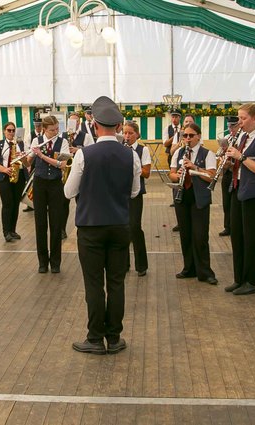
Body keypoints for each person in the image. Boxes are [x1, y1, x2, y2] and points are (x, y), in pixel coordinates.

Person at [64, 96, 141, 355]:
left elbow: (68, 192)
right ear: (119, 127)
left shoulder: (84, 154)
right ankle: (114, 337)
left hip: (91, 227)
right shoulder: (131, 155)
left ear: (95, 125)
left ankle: (95, 338)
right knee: (117, 282)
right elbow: (134, 192)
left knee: (94, 283)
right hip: (119, 225)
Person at [223, 103, 255, 295]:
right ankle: (239, 278)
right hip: (239, 189)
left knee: (251, 238)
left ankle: (252, 281)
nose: (240, 122)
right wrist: (229, 162)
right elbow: (240, 164)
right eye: (239, 118)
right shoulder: (243, 136)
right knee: (237, 236)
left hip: (254, 193)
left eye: (243, 118)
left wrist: (241, 157)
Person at [169, 123, 218, 285]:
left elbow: (211, 177)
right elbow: (171, 174)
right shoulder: (178, 152)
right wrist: (178, 175)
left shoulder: (208, 153)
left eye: (191, 135)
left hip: (199, 197)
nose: (188, 139)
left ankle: (205, 272)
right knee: (185, 234)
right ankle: (189, 268)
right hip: (183, 196)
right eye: (185, 136)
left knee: (200, 236)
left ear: (198, 136)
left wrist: (194, 168)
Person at [28, 115, 70, 273]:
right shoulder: (36, 141)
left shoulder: (63, 142)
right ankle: (42, 262)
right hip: (39, 184)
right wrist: (24, 158)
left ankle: (56, 262)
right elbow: (28, 163)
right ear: (44, 129)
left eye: (57, 129)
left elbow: (62, 164)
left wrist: (41, 155)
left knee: (56, 223)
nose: (55, 132)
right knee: (40, 224)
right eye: (52, 130)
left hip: (55, 184)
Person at [0, 122, 28, 242]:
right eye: (9, 130)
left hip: (19, 176)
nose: (11, 132)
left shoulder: (21, 144)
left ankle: (13, 230)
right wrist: (4, 169)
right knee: (7, 204)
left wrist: (23, 157)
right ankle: (6, 232)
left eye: (13, 130)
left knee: (15, 204)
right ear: (4, 131)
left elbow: (27, 163)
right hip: (5, 177)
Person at [122, 121, 151, 276]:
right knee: (122, 228)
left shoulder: (142, 149)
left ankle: (141, 265)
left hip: (136, 192)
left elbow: (147, 173)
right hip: (120, 193)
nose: (127, 136)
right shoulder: (120, 148)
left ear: (137, 134)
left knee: (134, 227)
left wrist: (134, 166)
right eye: (125, 133)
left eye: (130, 133)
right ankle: (124, 264)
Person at [218, 117, 240, 237]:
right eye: (229, 126)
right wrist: (222, 153)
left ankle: (235, 227)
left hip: (237, 173)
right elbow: (220, 153)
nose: (230, 129)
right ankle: (227, 226)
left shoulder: (241, 138)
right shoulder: (228, 138)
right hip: (227, 173)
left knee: (234, 203)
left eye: (233, 126)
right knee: (226, 202)